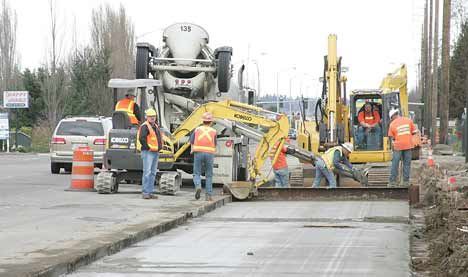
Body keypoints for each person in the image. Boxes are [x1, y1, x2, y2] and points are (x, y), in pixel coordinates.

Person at [190, 112, 217, 201]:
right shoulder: (214, 131)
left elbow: (192, 141)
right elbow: (215, 143)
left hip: (198, 153)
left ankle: (198, 186)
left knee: (196, 173)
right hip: (209, 154)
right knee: (209, 175)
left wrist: (192, 149)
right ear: (211, 122)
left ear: (203, 121)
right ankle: (208, 195)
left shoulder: (197, 129)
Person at [388, 109, 417, 187]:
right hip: (408, 145)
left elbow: (392, 138)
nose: (391, 119)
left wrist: (392, 148)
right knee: (407, 164)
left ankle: (392, 182)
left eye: (391, 118)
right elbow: (414, 132)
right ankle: (405, 182)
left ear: (393, 116)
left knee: (395, 163)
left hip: (398, 146)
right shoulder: (409, 120)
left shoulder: (392, 124)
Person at [138, 108, 162, 199]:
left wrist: (159, 148)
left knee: (153, 173)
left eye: (154, 116)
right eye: (150, 116)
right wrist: (147, 147)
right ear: (146, 117)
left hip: (155, 152)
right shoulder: (145, 126)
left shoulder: (155, 126)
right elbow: (142, 138)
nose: (152, 118)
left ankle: (150, 192)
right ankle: (145, 192)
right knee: (147, 172)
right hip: (148, 152)